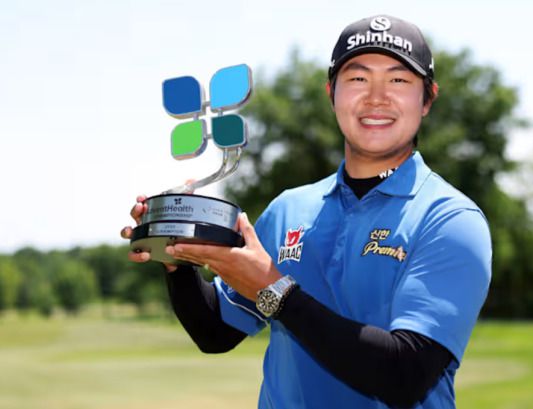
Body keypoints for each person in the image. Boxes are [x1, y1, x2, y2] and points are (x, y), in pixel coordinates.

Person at [121, 15, 492, 409]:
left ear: (428, 99)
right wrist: (178, 258)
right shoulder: (288, 209)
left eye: (398, 80)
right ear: (331, 92)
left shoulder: (450, 219)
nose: (376, 97)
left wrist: (275, 292)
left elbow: (405, 375)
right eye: (358, 78)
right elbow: (215, 332)